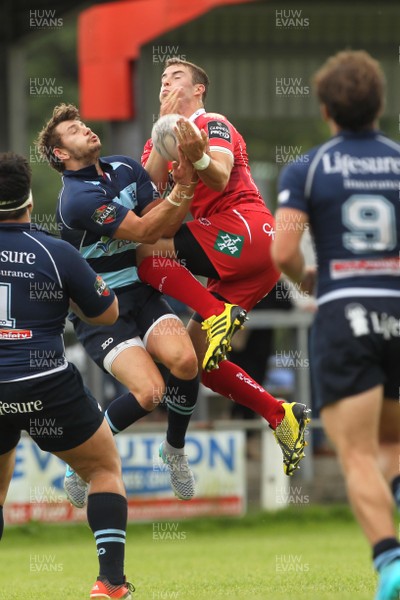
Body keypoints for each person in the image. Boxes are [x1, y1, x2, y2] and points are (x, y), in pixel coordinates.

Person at [36, 103, 245, 507]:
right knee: (150, 392)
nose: (88, 130)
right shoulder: (77, 198)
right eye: (75, 131)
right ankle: (79, 462)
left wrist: (181, 184)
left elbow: (164, 226)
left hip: (141, 292)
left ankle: (174, 450)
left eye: (84, 124)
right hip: (100, 309)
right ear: (60, 154)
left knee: (186, 362)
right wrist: (182, 188)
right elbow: (144, 229)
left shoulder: (127, 168)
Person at [138, 57, 310, 475]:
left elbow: (218, 175)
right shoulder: (158, 140)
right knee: (197, 364)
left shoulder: (212, 121)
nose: (166, 84)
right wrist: (163, 130)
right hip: (238, 257)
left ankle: (217, 315)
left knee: (146, 255)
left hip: (247, 231)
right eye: (161, 79)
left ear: (198, 90)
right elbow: (145, 198)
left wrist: (195, 160)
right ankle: (281, 415)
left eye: (176, 78)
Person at [271, 50, 400, 600]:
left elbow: (282, 251)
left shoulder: (308, 167)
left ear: (326, 110)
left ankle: (391, 564)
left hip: (345, 313)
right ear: (380, 105)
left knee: (357, 453)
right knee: (394, 444)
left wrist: (309, 282)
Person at [0, 152, 134, 599]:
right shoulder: (55, 251)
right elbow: (107, 312)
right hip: (44, 382)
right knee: (102, 468)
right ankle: (110, 584)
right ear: (30, 199)